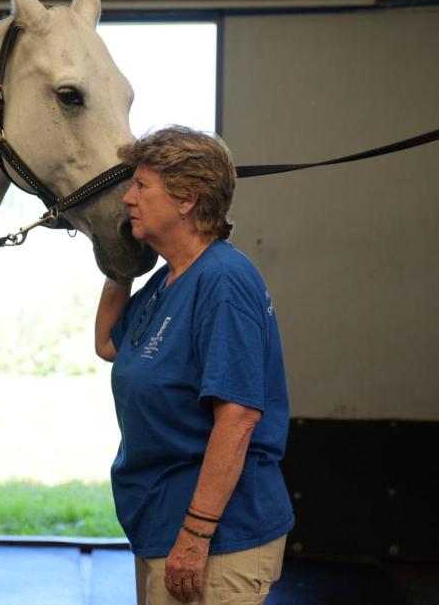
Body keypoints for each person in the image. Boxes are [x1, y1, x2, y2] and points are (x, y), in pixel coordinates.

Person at [95, 126, 294, 605]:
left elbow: (239, 414)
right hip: (162, 524)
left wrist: (197, 532)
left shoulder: (223, 280)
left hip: (216, 539)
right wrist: (121, 263)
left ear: (187, 199)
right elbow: (108, 343)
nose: (127, 200)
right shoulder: (170, 278)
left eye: (141, 186)